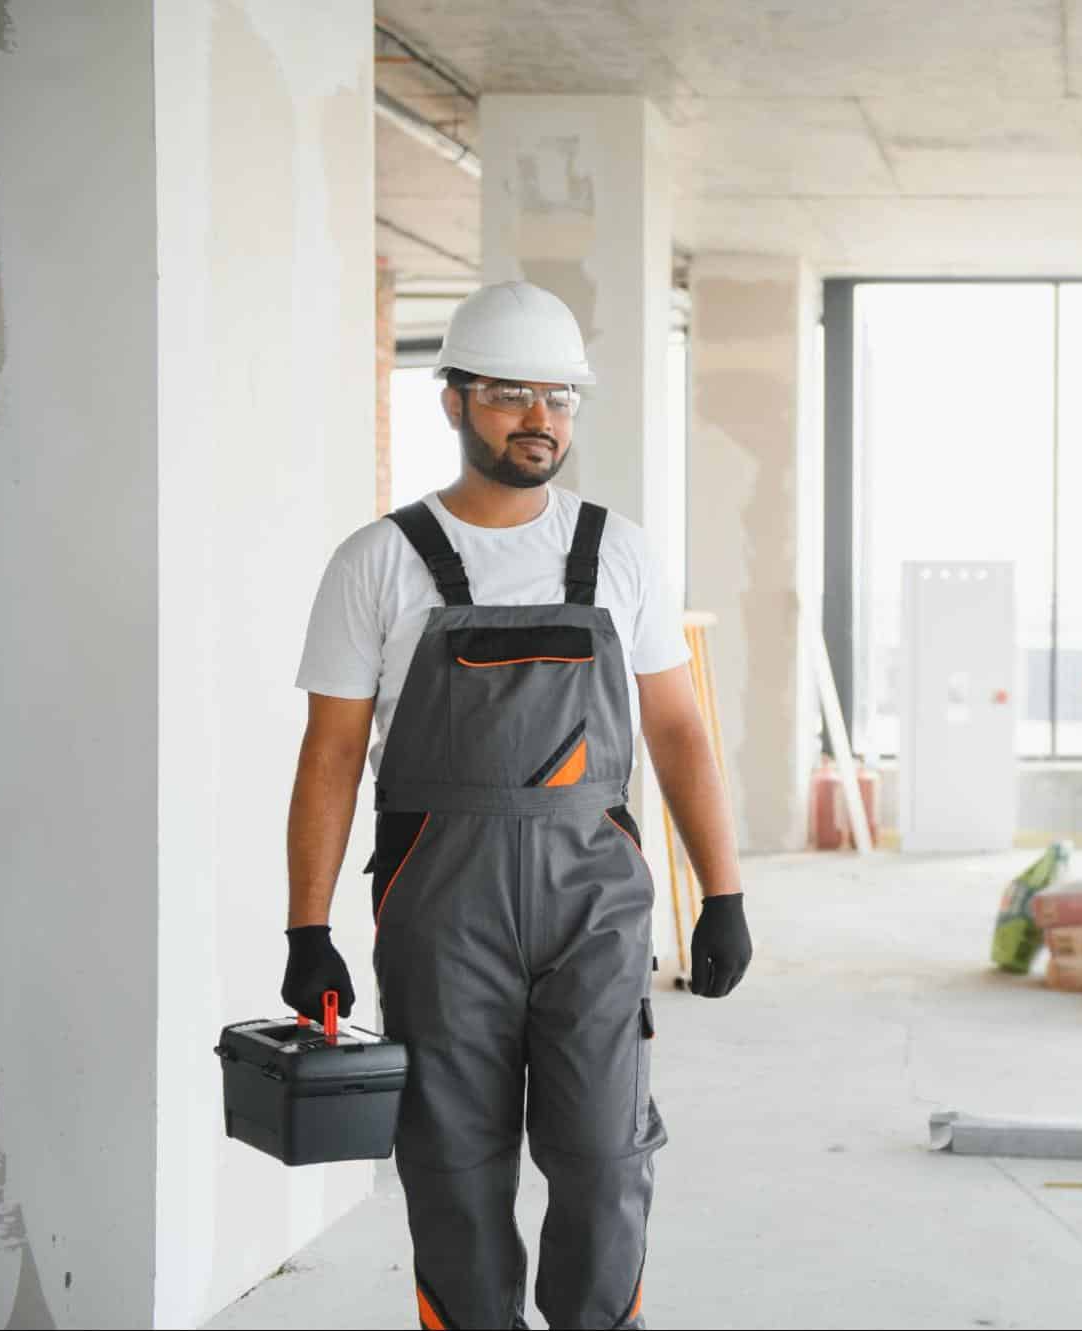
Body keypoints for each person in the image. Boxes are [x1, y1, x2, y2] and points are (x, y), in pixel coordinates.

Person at [280, 280, 749, 1329]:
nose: (539, 418)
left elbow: (677, 730)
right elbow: (331, 754)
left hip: (594, 901)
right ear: (452, 401)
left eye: (558, 397)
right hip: (440, 908)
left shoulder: (617, 551)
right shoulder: (379, 561)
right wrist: (307, 924)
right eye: (508, 393)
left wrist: (722, 891)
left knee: (603, 1155)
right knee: (451, 1161)